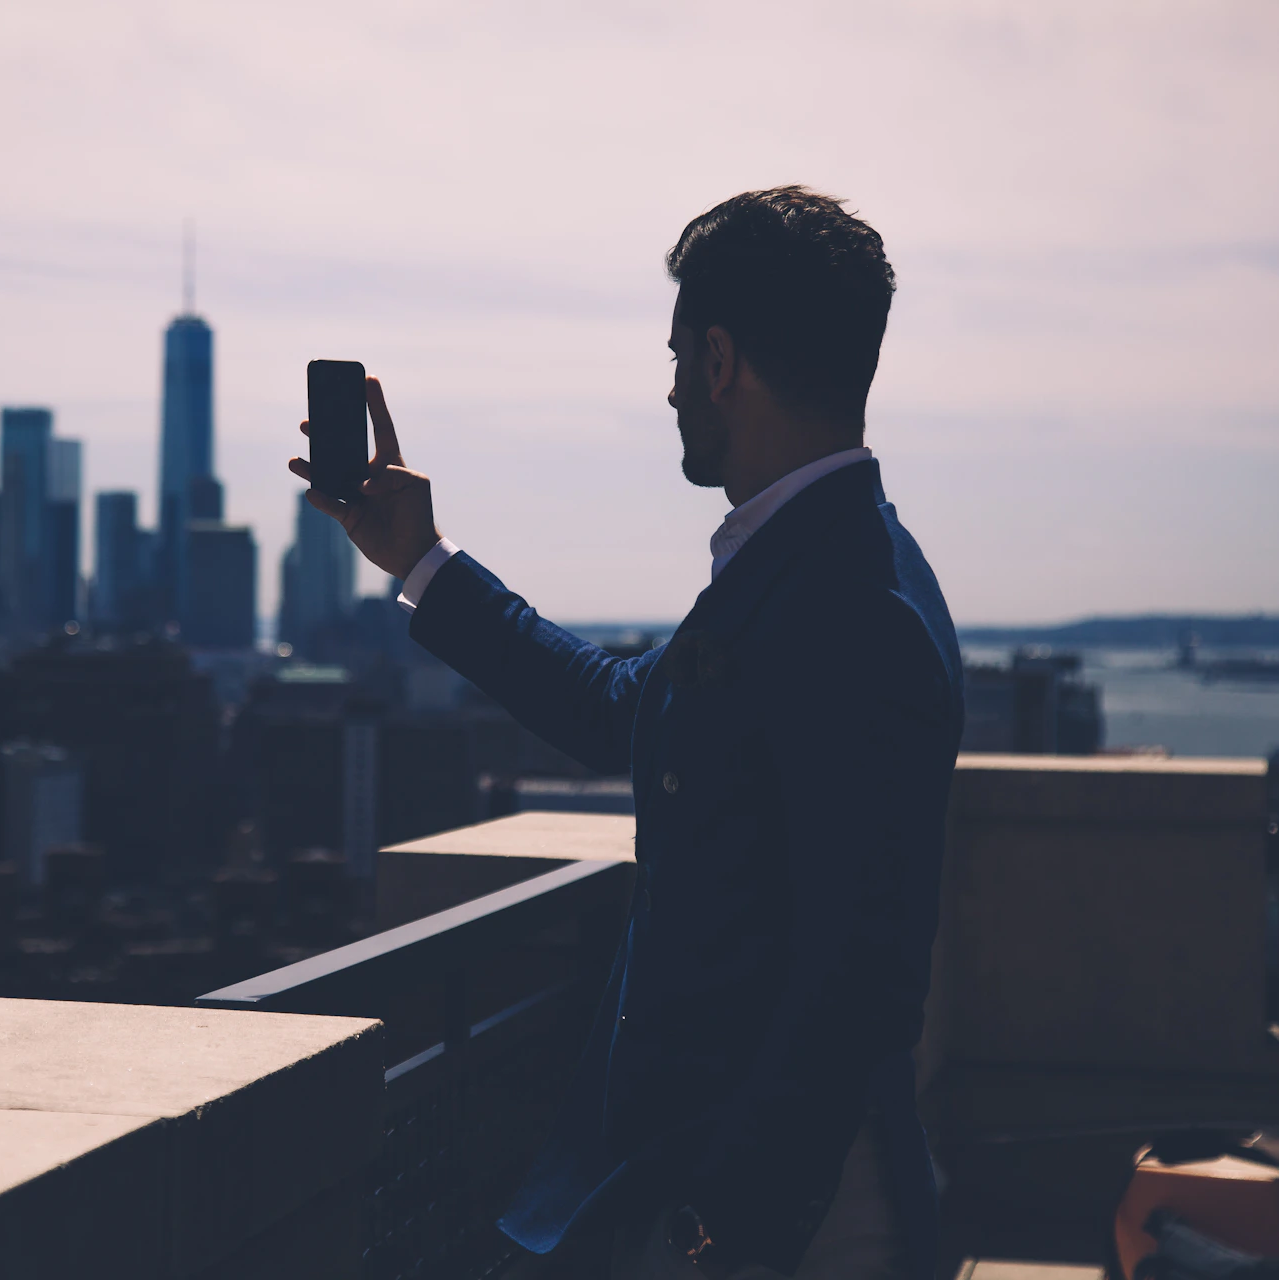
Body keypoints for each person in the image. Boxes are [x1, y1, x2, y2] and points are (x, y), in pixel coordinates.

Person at [286, 186, 963, 1280]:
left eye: (676, 357)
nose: (669, 391)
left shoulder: (847, 607)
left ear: (722, 358)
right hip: (704, 1185)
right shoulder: (819, 562)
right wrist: (421, 559)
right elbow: (627, 710)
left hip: (765, 1215)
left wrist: (723, 1226)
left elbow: (864, 973)